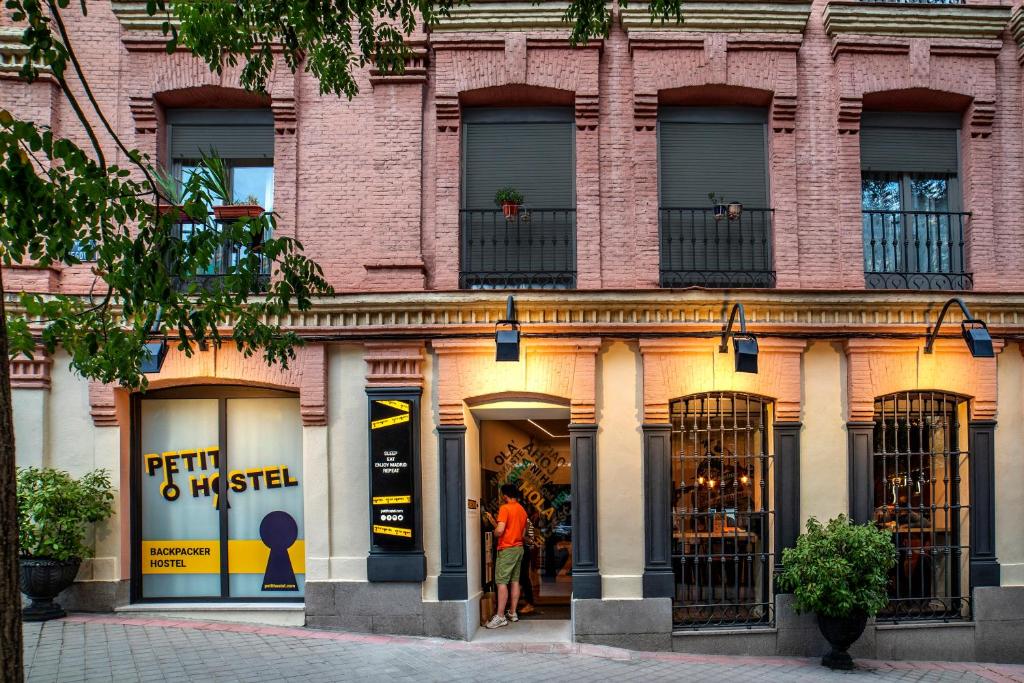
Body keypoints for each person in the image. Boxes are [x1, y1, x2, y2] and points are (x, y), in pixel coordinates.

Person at [483, 483, 528, 628]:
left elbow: (500, 530)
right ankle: (513, 613)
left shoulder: (505, 508)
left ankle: (500, 616)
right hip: (519, 548)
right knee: (515, 580)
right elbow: (522, 534)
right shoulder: (522, 510)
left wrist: (494, 532)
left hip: (507, 549)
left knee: (501, 582)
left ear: (504, 495)